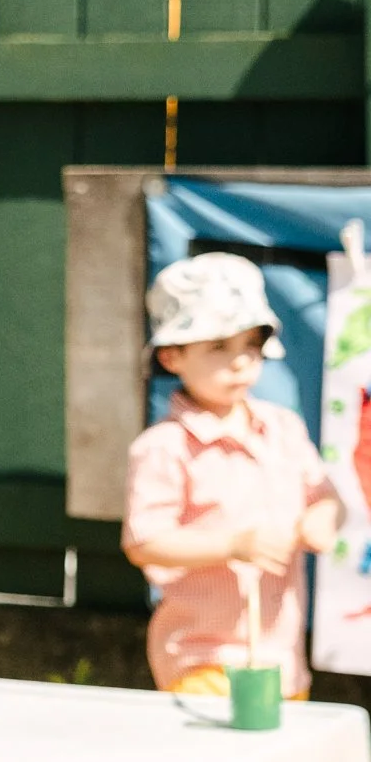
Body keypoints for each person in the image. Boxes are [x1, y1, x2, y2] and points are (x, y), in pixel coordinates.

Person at [122, 252, 342, 699]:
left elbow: (326, 496)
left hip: (282, 660)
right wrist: (233, 545)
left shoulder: (284, 428)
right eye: (218, 347)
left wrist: (323, 518)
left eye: (251, 346)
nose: (241, 362)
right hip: (202, 657)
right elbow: (144, 542)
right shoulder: (163, 447)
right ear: (172, 356)